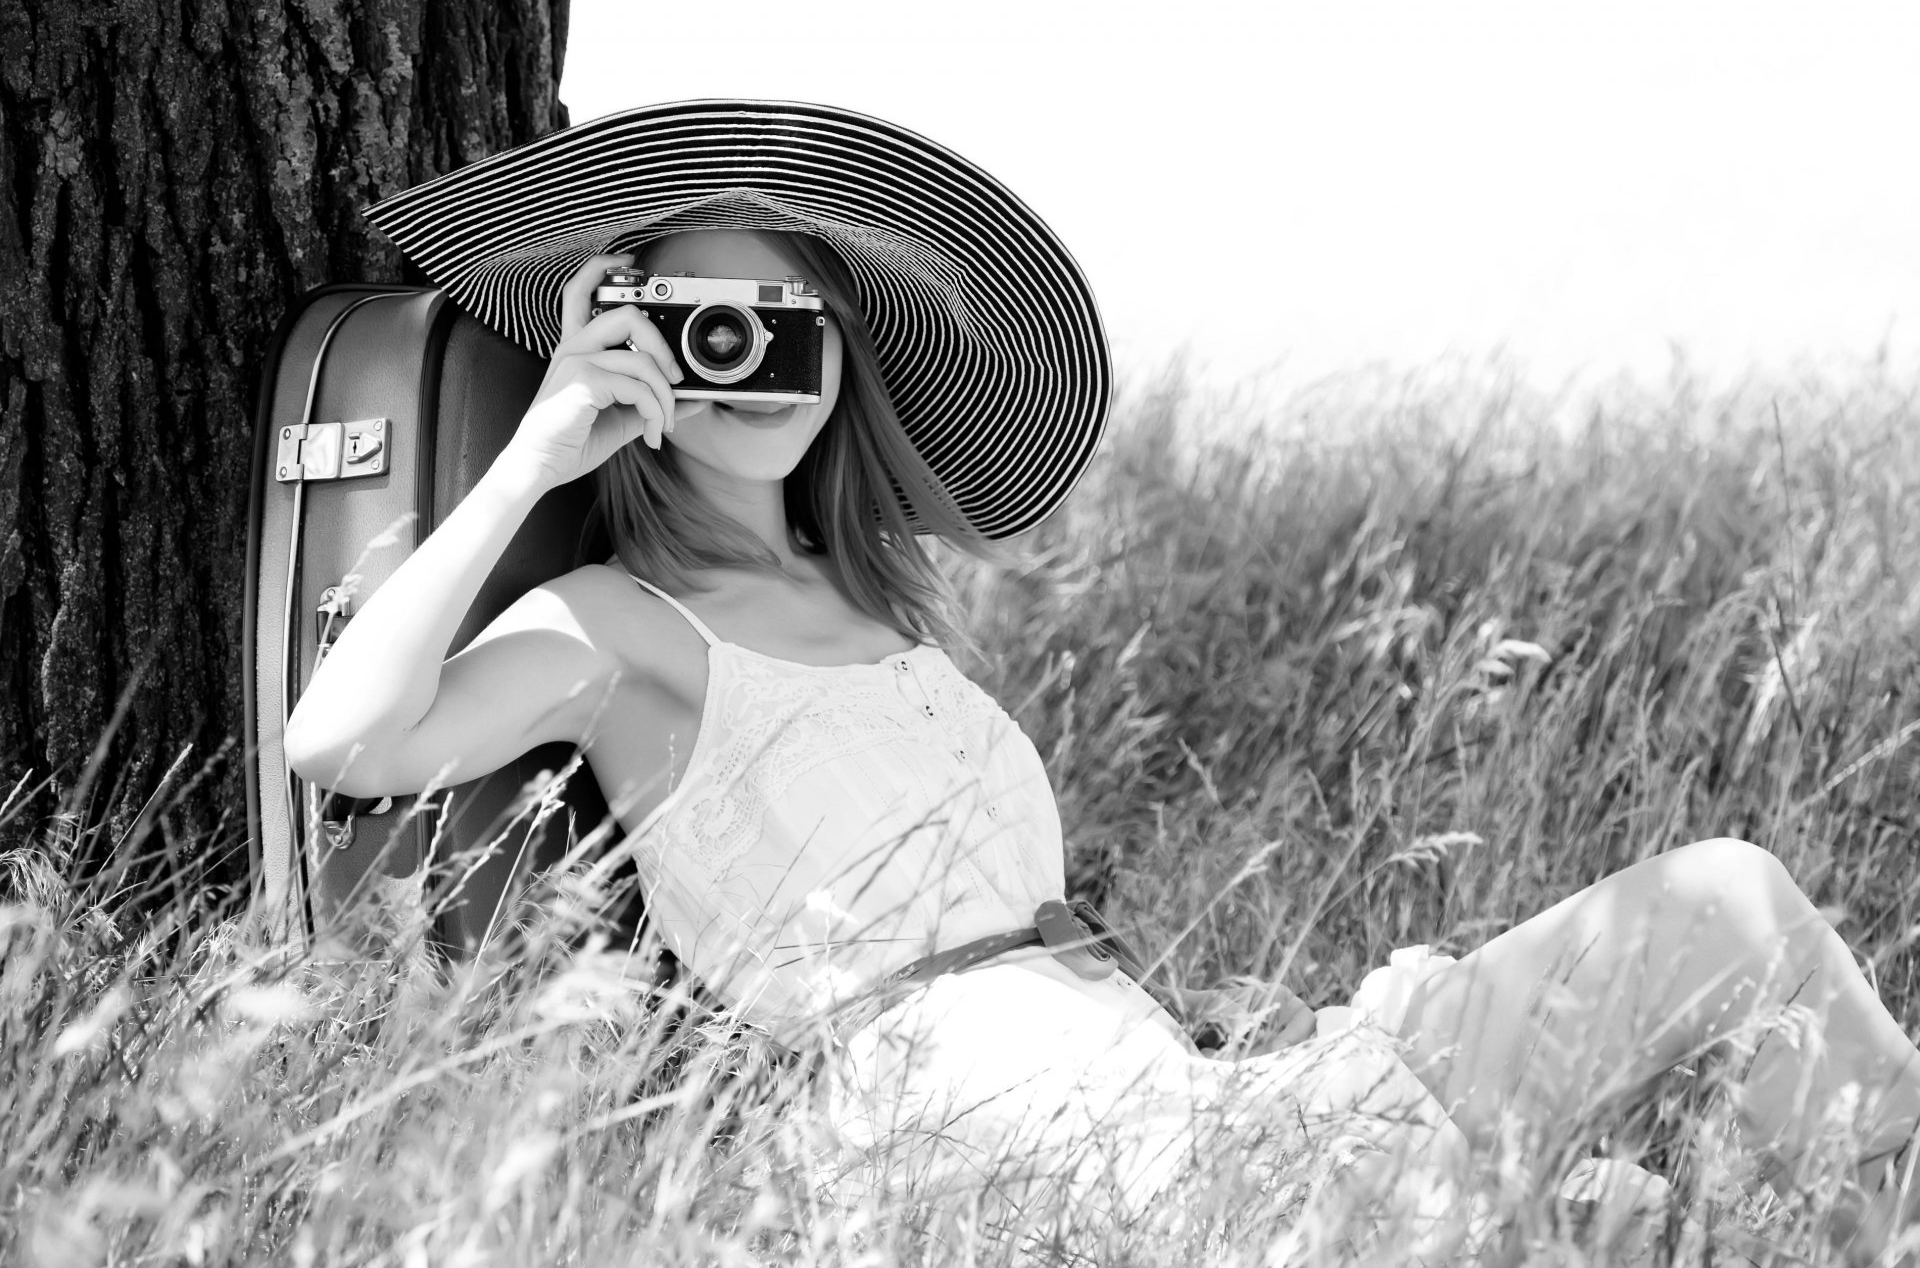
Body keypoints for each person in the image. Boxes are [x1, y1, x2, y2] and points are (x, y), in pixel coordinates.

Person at [284, 101, 1920, 1263]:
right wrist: (539, 447)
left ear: (848, 349)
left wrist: (1184, 1029)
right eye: (703, 319)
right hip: (997, 1146)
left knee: (1718, 956)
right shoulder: (623, 624)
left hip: (1160, 1096)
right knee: (1718, 911)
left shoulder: (881, 615)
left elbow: (1004, 917)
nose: (751, 357)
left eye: (793, 318)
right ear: (633, 340)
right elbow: (342, 740)